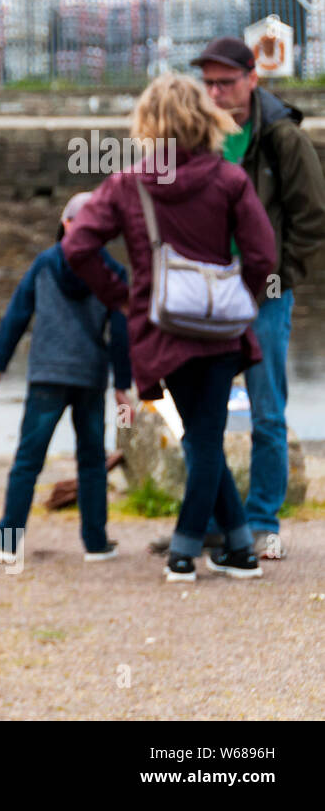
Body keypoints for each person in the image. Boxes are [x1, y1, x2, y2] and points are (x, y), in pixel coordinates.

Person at [63, 73, 277, 583]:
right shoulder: (230, 180)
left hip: (163, 332)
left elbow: (77, 248)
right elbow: (264, 256)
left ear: (149, 125)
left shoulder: (128, 183)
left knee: (200, 437)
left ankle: (184, 549)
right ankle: (241, 547)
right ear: (205, 118)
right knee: (205, 437)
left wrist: (124, 297)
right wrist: (237, 295)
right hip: (222, 331)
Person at [144, 38, 325, 561]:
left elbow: (311, 218)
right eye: (209, 83)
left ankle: (264, 520)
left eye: (226, 82)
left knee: (268, 410)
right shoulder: (196, 135)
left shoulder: (282, 138)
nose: (216, 92)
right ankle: (211, 523)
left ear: (253, 79)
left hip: (261, 296)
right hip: (198, 297)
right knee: (195, 414)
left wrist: (278, 280)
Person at [0, 193, 132, 564]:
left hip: (47, 375)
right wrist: (122, 386)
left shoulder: (45, 264)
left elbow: (16, 317)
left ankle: (8, 540)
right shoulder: (112, 272)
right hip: (90, 376)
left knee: (29, 458)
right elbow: (122, 334)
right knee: (92, 460)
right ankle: (95, 543)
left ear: (65, 223)